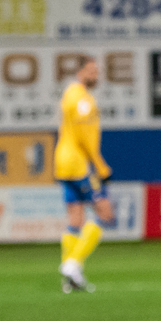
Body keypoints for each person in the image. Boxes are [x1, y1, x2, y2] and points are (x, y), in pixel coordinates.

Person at [54, 57, 115, 293]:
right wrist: (100, 166)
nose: (95, 76)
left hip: (62, 161)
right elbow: (84, 137)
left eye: (96, 71)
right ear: (80, 72)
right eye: (91, 71)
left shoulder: (69, 93)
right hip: (78, 164)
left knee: (75, 218)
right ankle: (71, 264)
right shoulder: (82, 99)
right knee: (103, 212)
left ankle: (71, 279)